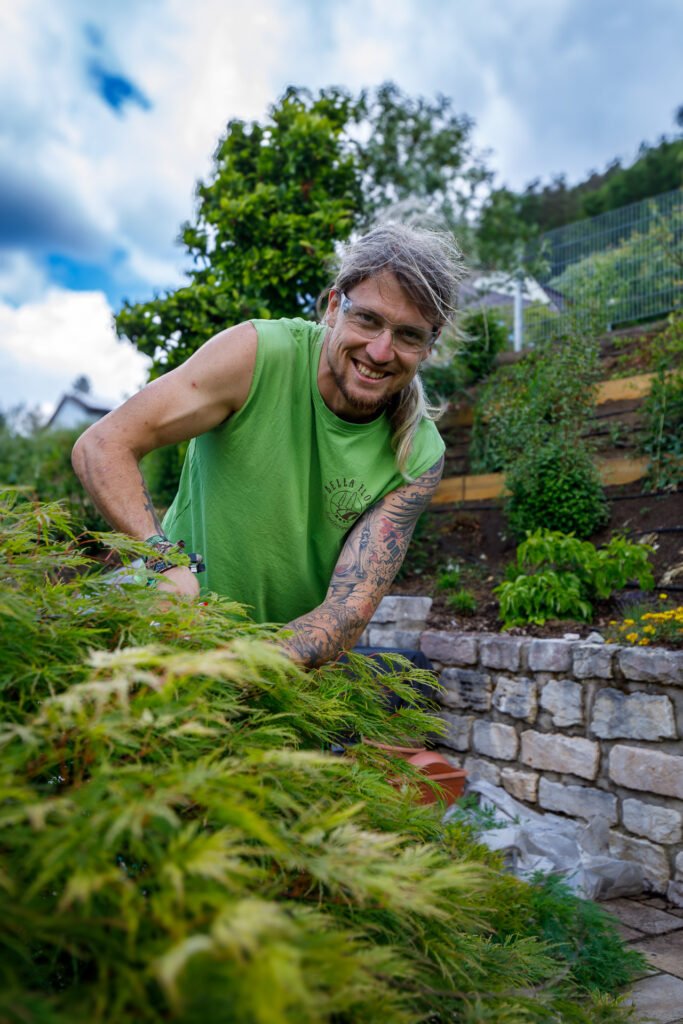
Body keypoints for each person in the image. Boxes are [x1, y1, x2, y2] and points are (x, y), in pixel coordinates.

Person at [72, 224, 463, 667]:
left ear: (429, 344)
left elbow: (347, 609)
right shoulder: (258, 356)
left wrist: (234, 668)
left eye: (408, 335)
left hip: (275, 674)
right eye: (367, 319)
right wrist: (162, 562)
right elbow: (102, 444)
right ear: (334, 306)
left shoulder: (417, 455)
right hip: (159, 632)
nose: (379, 351)